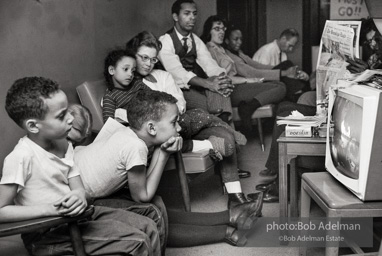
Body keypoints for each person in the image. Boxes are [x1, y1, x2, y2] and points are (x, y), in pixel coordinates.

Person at [74, 89, 263, 247]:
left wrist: (160, 151)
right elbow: (142, 197)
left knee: (157, 205)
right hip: (81, 203)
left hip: (81, 183)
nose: (179, 128)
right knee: (152, 213)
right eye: (173, 123)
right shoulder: (135, 147)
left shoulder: (127, 132)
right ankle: (225, 230)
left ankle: (232, 217)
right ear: (151, 128)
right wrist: (163, 154)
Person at [0, 76, 160, 256]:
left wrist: (79, 195)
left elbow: (80, 190)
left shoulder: (64, 145)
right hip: (47, 233)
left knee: (150, 222)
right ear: (33, 126)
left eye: (67, 110)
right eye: (61, 116)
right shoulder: (21, 157)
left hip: (77, 218)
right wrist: (50, 209)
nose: (70, 119)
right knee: (137, 242)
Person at [126, 30, 261, 203]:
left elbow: (180, 100)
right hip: (165, 134)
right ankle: (211, 144)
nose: (148, 64)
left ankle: (235, 193)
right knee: (221, 138)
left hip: (182, 122)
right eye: (143, 57)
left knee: (222, 133)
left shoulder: (163, 76)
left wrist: (173, 112)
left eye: (153, 59)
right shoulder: (131, 84)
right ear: (132, 55)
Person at [102, 47, 238, 161]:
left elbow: (156, 98)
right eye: (125, 69)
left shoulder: (137, 84)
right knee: (171, 137)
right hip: (145, 131)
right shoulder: (110, 96)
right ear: (112, 70)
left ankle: (228, 132)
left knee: (199, 114)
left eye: (132, 70)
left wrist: (168, 109)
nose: (130, 74)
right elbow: (109, 126)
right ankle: (210, 144)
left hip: (160, 119)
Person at [201, 15, 286, 133]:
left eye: (223, 29)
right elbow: (220, 78)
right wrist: (247, 80)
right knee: (280, 88)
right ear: (208, 31)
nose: (221, 32)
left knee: (280, 85)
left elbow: (250, 66)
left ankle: (248, 106)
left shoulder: (222, 49)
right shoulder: (209, 50)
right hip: (231, 89)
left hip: (238, 84)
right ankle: (248, 108)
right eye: (217, 29)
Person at [157, 0, 235, 122]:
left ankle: (224, 135)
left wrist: (221, 79)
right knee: (214, 105)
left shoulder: (195, 40)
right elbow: (177, 72)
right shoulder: (165, 41)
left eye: (194, 14)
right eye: (187, 13)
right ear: (175, 16)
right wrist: (209, 84)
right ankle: (227, 132)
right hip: (176, 90)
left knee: (219, 91)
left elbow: (209, 64)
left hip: (195, 86)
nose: (192, 18)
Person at [224, 26, 310, 103]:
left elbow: (257, 65)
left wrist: (289, 71)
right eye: (236, 39)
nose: (239, 42)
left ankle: (302, 95)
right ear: (227, 40)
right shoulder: (230, 56)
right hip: (248, 84)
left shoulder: (239, 53)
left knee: (287, 65)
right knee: (283, 83)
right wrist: (284, 72)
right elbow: (253, 73)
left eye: (241, 39)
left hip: (258, 78)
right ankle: (301, 96)